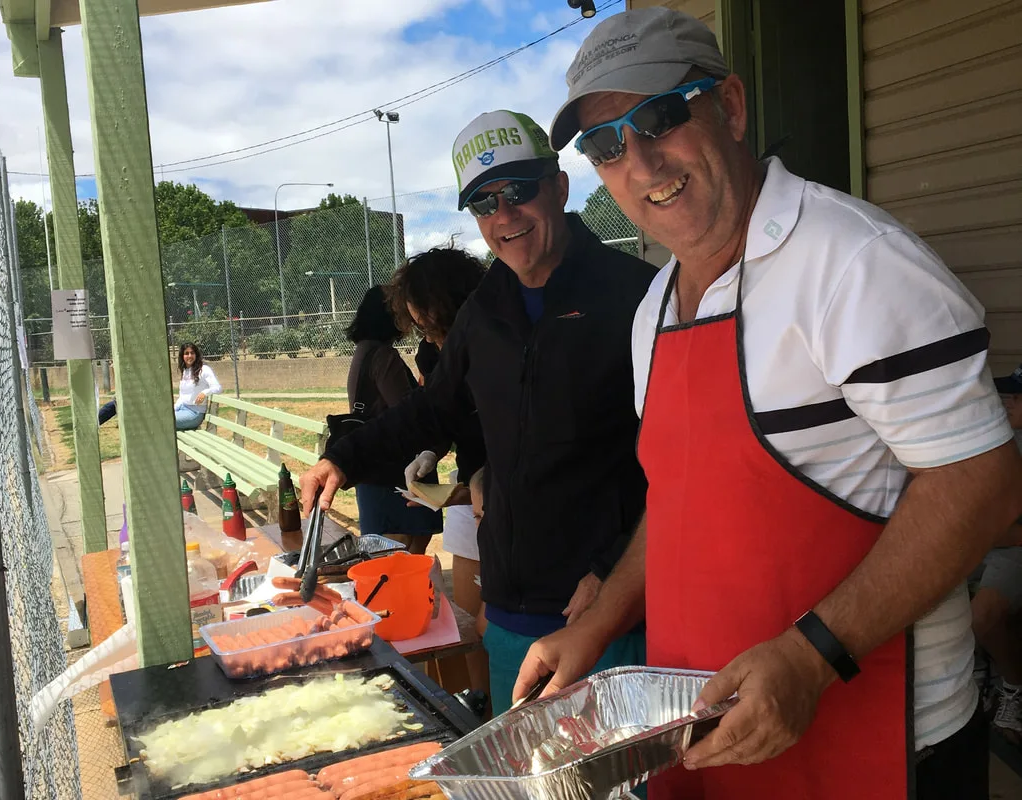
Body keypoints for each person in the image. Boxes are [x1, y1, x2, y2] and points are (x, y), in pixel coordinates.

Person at [516, 8, 1022, 800]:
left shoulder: (854, 262)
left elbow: (980, 482)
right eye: (605, 145)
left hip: (883, 746)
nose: (640, 161)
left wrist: (813, 653)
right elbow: (682, 496)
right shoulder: (653, 306)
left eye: (659, 116)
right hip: (709, 742)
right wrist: (598, 621)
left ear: (733, 107)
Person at [302, 109, 658, 715]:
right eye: (484, 203)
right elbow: (433, 410)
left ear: (560, 186)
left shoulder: (637, 294)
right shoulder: (484, 309)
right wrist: (342, 457)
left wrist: (614, 569)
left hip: (607, 609)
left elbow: (675, 457)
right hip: (514, 605)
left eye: (519, 190)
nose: (504, 215)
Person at [386, 246, 489, 703]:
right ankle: (480, 701)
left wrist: (478, 487)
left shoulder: (501, 350)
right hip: (472, 499)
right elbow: (442, 415)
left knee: (496, 621)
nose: (429, 341)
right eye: (421, 328)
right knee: (469, 622)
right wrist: (431, 450)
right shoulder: (433, 356)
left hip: (513, 500)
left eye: (436, 327)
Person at [343, 285, 443, 553]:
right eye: (402, 311)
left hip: (374, 466)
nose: (409, 319)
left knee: (390, 548)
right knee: (402, 548)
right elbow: (407, 410)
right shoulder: (383, 355)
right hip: (393, 469)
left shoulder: (364, 350)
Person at [972, 365, 1022, 743]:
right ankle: (975, 674)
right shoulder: (996, 438)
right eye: (1005, 395)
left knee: (984, 616)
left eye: (1015, 397)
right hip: (984, 542)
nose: (1005, 402)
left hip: (1015, 547)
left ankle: (1013, 689)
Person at [97, 341, 220, 430]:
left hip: (194, 414)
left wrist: (205, 393)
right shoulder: (186, 371)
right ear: (182, 356)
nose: (189, 356)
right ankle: (117, 413)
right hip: (182, 409)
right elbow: (183, 397)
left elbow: (218, 388)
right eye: (186, 353)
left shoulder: (204, 369)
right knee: (153, 417)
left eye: (192, 353)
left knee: (157, 423)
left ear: (196, 355)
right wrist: (172, 409)